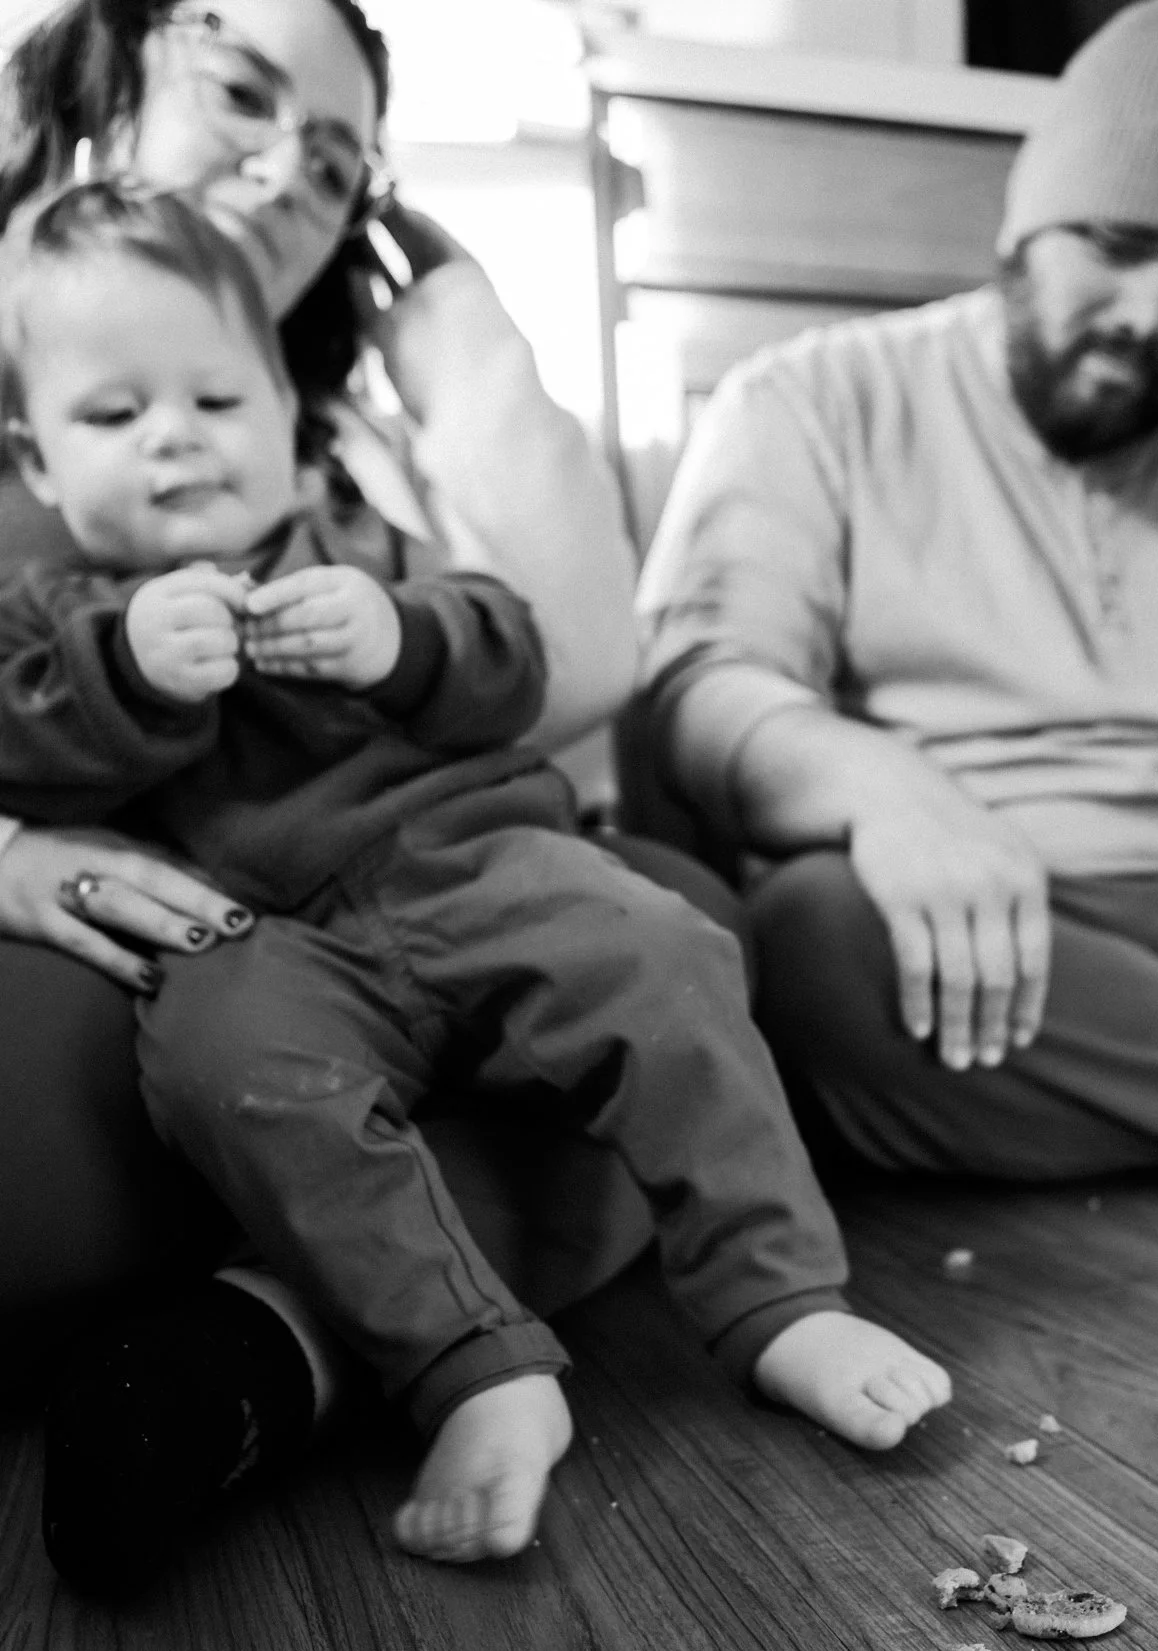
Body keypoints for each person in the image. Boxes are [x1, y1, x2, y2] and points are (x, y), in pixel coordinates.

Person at [0, 179, 953, 1591]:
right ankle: (473, 1372)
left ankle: (777, 1301)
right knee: (215, 1057)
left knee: (666, 951)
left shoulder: (358, 547)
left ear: (287, 413)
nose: (175, 441)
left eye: (215, 402)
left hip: (481, 868)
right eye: (113, 415)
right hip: (269, 937)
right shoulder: (49, 613)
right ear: (34, 461)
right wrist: (123, 671)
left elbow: (509, 654)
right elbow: (24, 742)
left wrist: (399, 638)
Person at [0, 0, 702, 1562]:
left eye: (335, 168)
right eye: (239, 95)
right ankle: (313, 1318)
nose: (278, 176)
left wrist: (480, 353)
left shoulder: (344, 456)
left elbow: (578, 668)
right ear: (98, 86)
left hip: (358, 951)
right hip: (124, 970)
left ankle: (273, 1342)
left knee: (680, 924)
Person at [635, 0, 1158, 1183]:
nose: (1148, 317)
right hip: (978, 940)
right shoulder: (808, 403)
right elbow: (703, 686)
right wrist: (886, 792)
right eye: (1118, 244)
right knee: (816, 944)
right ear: (1025, 223)